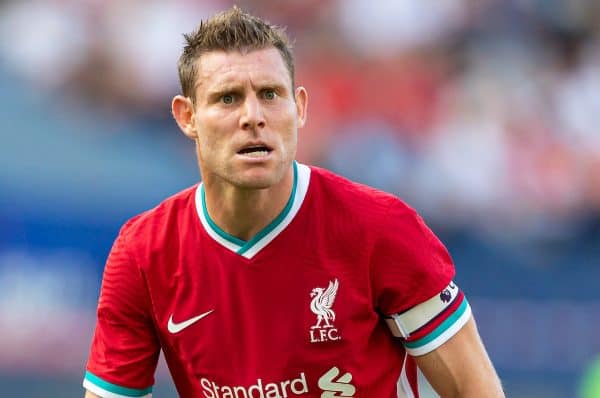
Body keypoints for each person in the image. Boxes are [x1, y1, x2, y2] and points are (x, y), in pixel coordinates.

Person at [83, 6, 504, 398]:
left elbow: (475, 389)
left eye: (269, 94)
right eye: (228, 98)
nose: (253, 116)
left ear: (299, 107)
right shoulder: (143, 253)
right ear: (186, 117)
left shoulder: (380, 227)